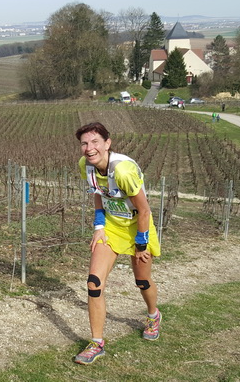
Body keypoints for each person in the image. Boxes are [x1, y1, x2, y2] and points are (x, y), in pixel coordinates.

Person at [74, 122, 162, 365]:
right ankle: (96, 343)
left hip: (137, 226)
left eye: (95, 142)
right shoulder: (86, 166)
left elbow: (144, 210)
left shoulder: (122, 170)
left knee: (142, 281)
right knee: (94, 283)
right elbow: (97, 192)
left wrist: (141, 244)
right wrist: (99, 226)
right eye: (84, 143)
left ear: (107, 144)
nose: (89, 148)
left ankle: (153, 315)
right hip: (112, 227)